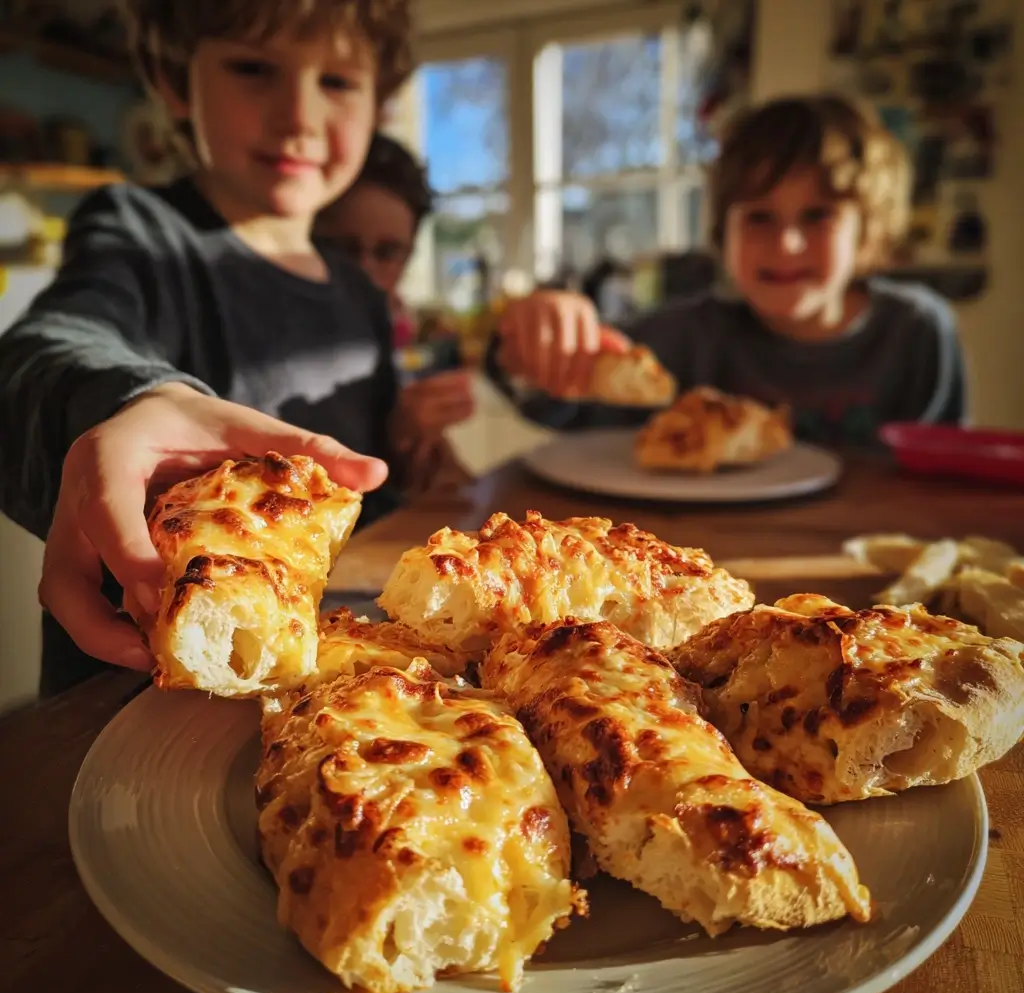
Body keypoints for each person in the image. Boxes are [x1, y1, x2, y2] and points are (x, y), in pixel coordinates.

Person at [0, 0, 425, 696]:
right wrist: (136, 400)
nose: (298, 117)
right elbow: (49, 345)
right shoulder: (138, 232)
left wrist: (413, 450)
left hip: (325, 697)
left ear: (378, 103)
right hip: (132, 709)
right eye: (253, 68)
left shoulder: (359, 293)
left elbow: (359, 490)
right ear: (175, 81)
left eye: (337, 81)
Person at [494, 94, 966, 446]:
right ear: (725, 232)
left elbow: (939, 482)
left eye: (818, 216)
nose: (787, 243)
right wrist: (539, 344)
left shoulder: (915, 333)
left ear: (868, 232)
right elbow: (562, 402)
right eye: (759, 217)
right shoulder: (684, 338)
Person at [314, 132, 474, 475]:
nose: (364, 271)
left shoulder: (393, 326)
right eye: (343, 249)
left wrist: (408, 440)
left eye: (386, 252)